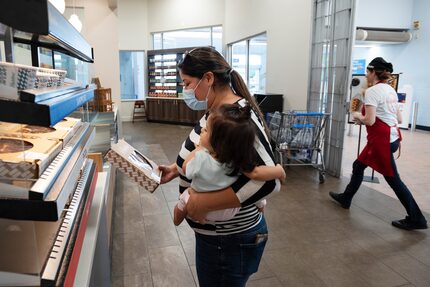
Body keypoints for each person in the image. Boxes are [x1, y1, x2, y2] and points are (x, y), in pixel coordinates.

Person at [158, 47, 281, 287]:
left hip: (228, 241)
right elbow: (217, 154)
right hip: (218, 239)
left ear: (209, 78)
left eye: (187, 83)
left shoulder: (235, 115)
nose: (185, 90)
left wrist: (203, 203)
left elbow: (268, 181)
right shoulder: (217, 109)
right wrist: (178, 168)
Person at [329, 57, 427, 231]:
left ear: (374, 72)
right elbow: (399, 118)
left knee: (393, 180)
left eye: (368, 72)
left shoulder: (373, 92)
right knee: (358, 166)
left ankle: (416, 218)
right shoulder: (390, 90)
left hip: (381, 141)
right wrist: (368, 119)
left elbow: (370, 120)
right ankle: (346, 198)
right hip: (391, 137)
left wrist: (357, 115)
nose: (366, 75)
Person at [173, 104, 286, 226]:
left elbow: (185, 167)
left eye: (206, 130)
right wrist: (279, 170)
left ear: (218, 142)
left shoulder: (201, 158)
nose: (201, 130)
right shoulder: (235, 160)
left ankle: (180, 219)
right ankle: (261, 210)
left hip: (206, 208)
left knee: (186, 195)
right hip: (230, 210)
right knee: (260, 199)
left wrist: (199, 148)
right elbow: (257, 173)